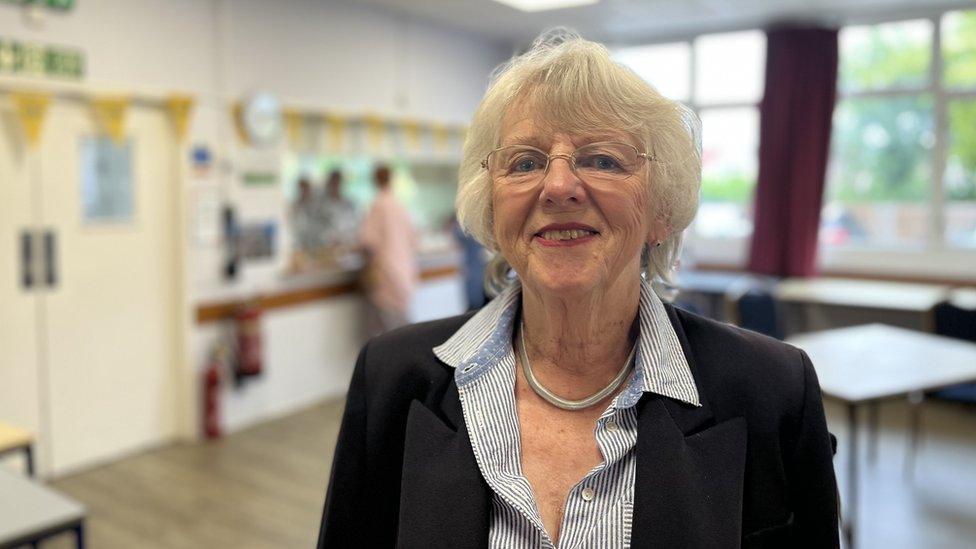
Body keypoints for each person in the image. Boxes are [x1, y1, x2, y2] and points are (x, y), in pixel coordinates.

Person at [319, 31, 838, 548]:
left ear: (662, 210)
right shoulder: (391, 379)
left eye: (602, 159)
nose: (558, 186)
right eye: (524, 162)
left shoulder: (773, 392)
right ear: (493, 210)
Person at [358, 165, 418, 336]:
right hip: (404, 272)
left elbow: (368, 241)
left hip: (386, 273)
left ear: (375, 179)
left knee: (390, 331)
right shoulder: (399, 204)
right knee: (401, 327)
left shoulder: (378, 204)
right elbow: (413, 239)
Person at [317, 170, 359, 249]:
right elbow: (318, 228)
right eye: (333, 183)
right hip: (326, 247)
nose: (335, 185)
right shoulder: (322, 205)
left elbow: (354, 226)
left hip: (346, 246)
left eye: (337, 182)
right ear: (329, 183)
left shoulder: (349, 203)